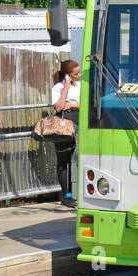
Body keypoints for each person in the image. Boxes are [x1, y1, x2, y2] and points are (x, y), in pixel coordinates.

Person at [51, 60, 80, 204]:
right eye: (76, 74)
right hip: (63, 126)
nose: (79, 76)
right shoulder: (58, 87)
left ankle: (82, 193)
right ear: (68, 75)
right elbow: (58, 107)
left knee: (79, 158)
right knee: (63, 161)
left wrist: (73, 104)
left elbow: (85, 104)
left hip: (78, 123)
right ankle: (66, 196)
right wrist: (66, 87)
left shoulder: (80, 86)